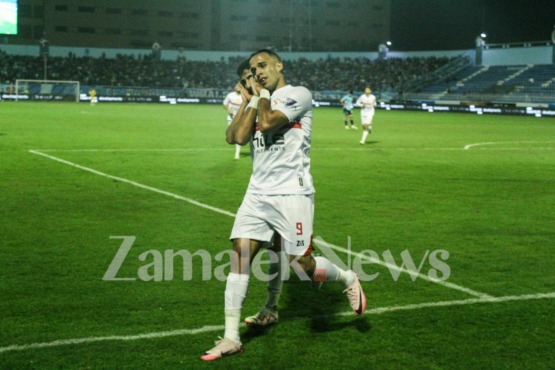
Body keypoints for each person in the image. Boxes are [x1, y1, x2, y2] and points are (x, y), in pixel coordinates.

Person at [201, 49, 366, 361]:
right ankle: (231, 337)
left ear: (279, 65)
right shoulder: (256, 100)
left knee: (300, 267)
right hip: (258, 193)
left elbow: (269, 121)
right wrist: (249, 99)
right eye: (251, 71)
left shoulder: (298, 95)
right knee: (240, 254)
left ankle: (347, 279)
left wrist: (260, 96)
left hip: (293, 194)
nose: (257, 73)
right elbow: (235, 137)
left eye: (262, 66)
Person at [223, 82, 244, 159]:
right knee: (230, 134)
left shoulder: (244, 96)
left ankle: (237, 153)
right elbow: (225, 104)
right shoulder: (230, 95)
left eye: (240, 86)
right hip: (231, 118)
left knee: (237, 134)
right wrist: (229, 110)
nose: (238, 87)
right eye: (237, 85)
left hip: (240, 118)